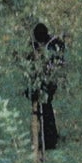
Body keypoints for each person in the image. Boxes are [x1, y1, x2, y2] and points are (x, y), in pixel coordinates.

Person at [27, 22, 65, 151]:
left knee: (46, 106)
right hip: (40, 80)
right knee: (41, 108)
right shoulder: (35, 45)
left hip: (48, 81)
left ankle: (49, 139)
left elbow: (55, 63)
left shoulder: (53, 45)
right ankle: (42, 137)